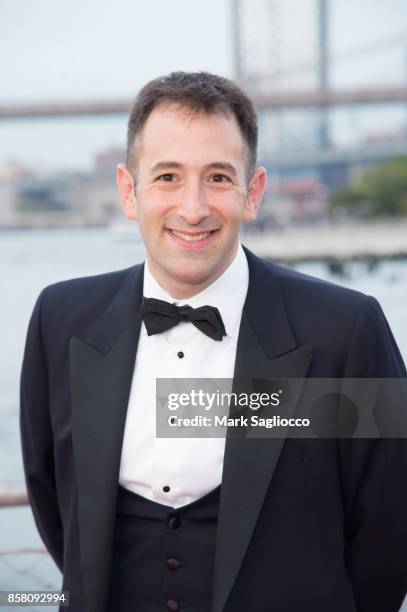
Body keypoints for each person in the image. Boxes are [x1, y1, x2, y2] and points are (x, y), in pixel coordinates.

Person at [20, 71, 407, 612]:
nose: (194, 207)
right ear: (130, 192)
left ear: (254, 193)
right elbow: (54, 504)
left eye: (219, 178)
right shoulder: (60, 319)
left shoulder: (347, 330)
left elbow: (388, 532)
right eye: (168, 177)